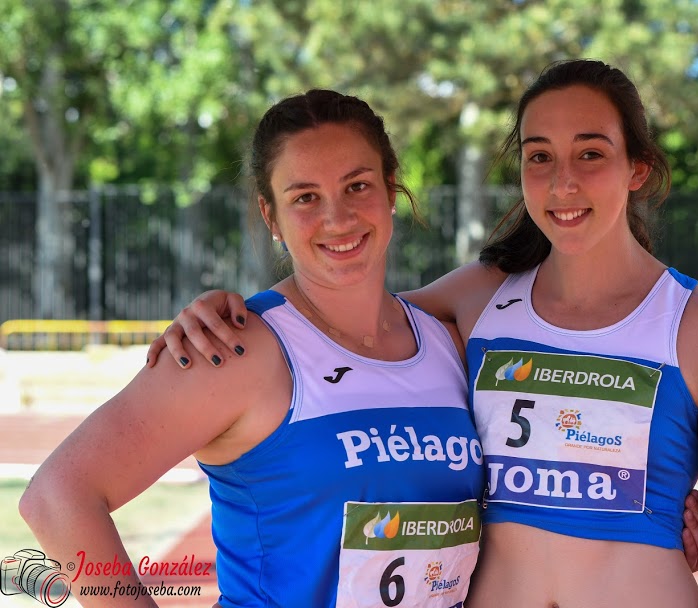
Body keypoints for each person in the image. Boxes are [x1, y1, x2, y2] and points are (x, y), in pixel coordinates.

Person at [151, 60, 698, 607]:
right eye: (539, 156)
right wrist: (229, 312)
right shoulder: (482, 296)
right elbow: (338, 320)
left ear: (638, 168)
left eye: (591, 153)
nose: (562, 181)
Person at [19, 90, 488, 607]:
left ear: (390, 190)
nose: (337, 217)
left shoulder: (447, 339)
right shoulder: (232, 346)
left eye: (357, 185)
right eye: (305, 197)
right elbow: (57, 497)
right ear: (271, 217)